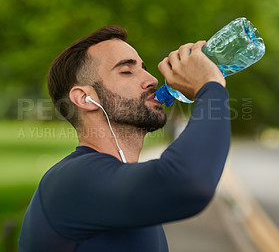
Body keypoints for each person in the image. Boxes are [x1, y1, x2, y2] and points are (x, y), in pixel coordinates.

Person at [18, 25, 230, 252]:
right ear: (86, 98)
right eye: (127, 71)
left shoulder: (123, 185)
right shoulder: (72, 181)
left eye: (144, 68)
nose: (152, 80)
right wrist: (210, 87)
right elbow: (187, 182)